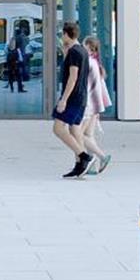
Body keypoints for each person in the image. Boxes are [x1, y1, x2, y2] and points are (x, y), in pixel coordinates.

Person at [52, 21, 92, 178]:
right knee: (74, 130)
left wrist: (64, 99)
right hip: (81, 96)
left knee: (57, 128)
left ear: (66, 34)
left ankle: (83, 155)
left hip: (73, 97)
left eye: (62, 34)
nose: (61, 37)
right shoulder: (81, 51)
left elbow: (73, 78)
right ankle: (80, 166)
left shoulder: (75, 52)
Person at [80, 36, 112, 175]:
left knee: (77, 134)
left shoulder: (88, 63)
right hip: (96, 105)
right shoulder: (96, 63)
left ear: (87, 46)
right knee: (89, 134)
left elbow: (85, 87)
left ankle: (101, 156)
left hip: (89, 105)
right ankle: (91, 166)